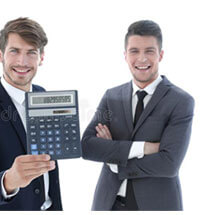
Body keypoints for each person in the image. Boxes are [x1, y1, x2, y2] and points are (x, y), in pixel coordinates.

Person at [81, 20, 194, 211]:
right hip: (109, 204)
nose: (141, 59)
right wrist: (144, 147)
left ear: (161, 55)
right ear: (125, 56)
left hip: (157, 205)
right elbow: (87, 146)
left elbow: (169, 164)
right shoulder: (112, 96)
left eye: (149, 51)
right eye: (134, 51)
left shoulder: (180, 101)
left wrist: (114, 161)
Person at [0, 17, 62, 211]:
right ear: (0, 54)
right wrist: (8, 181)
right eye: (14, 51)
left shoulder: (43, 95)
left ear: (41, 58)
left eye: (31, 53)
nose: (22, 61)